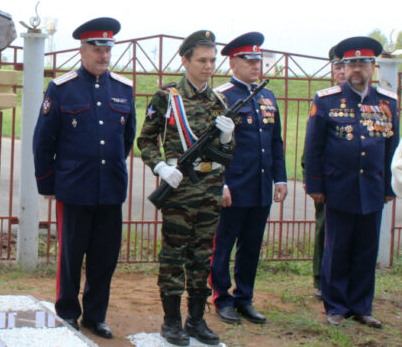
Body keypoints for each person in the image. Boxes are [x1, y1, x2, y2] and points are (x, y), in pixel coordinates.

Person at [33, 17, 136, 339]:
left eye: (108, 49)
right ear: (82, 49)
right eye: (96, 48)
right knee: (71, 255)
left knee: (104, 257)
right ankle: (67, 312)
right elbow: (44, 140)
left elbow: (127, 139)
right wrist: (48, 184)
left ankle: (95, 315)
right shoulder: (62, 88)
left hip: (110, 188)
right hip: (74, 187)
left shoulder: (123, 89)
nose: (103, 55)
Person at [136, 30, 234, 346]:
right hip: (179, 189)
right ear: (185, 60)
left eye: (212, 60)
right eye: (202, 60)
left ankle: (196, 319)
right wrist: (161, 167)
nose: (209, 66)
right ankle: (171, 321)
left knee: (202, 255)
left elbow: (228, 153)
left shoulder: (220, 101)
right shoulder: (168, 97)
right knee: (174, 255)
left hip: (210, 189)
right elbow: (146, 140)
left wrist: (229, 138)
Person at [304, 36, 398, 328]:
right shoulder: (327, 99)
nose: (357, 69)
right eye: (351, 63)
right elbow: (313, 147)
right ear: (343, 67)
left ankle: (361, 306)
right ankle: (336, 306)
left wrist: (389, 186)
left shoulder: (387, 102)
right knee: (337, 247)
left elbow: (391, 149)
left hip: (372, 187)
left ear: (373, 66)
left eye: (363, 63)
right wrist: (316, 186)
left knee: (366, 249)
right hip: (338, 186)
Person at [210, 32, 287, 325]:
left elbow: (275, 141)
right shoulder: (221, 96)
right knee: (223, 244)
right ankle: (222, 298)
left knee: (252, 245)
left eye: (259, 60)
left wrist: (280, 178)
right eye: (250, 60)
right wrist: (222, 183)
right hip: (235, 185)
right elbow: (213, 146)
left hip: (261, 185)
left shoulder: (267, 96)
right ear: (233, 62)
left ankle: (245, 298)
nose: (257, 65)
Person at [303, 46, 346, 300]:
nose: (341, 71)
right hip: (329, 178)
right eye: (337, 67)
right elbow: (312, 145)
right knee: (325, 228)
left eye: (345, 66)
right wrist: (313, 179)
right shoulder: (325, 99)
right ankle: (321, 278)